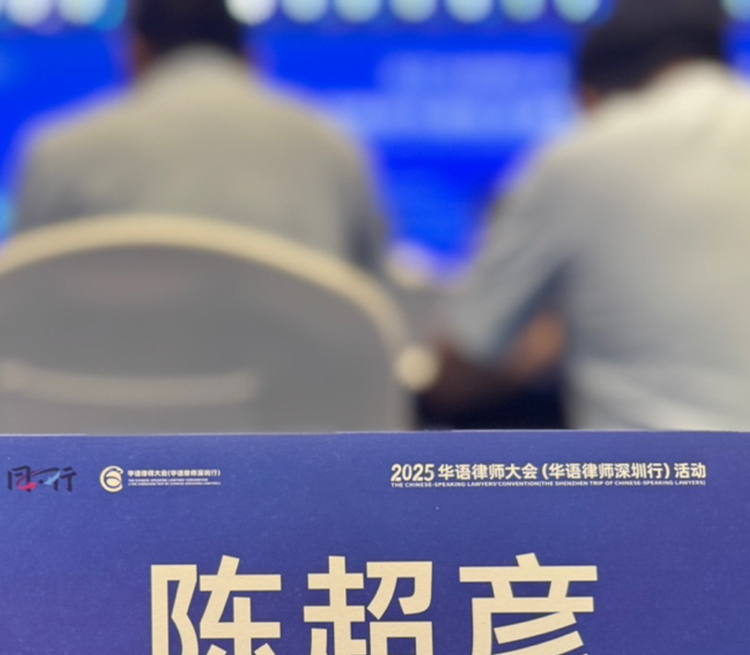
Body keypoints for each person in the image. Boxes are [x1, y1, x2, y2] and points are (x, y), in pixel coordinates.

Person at [431, 0, 750, 430]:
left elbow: (457, 372)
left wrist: (553, 338)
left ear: (588, 97)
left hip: (650, 468)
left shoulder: (576, 160)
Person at [12, 0, 386, 275]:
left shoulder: (55, 153)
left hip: (107, 362)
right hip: (299, 363)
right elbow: (381, 313)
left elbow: (22, 313)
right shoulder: (337, 148)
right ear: (250, 60)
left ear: (136, 55)